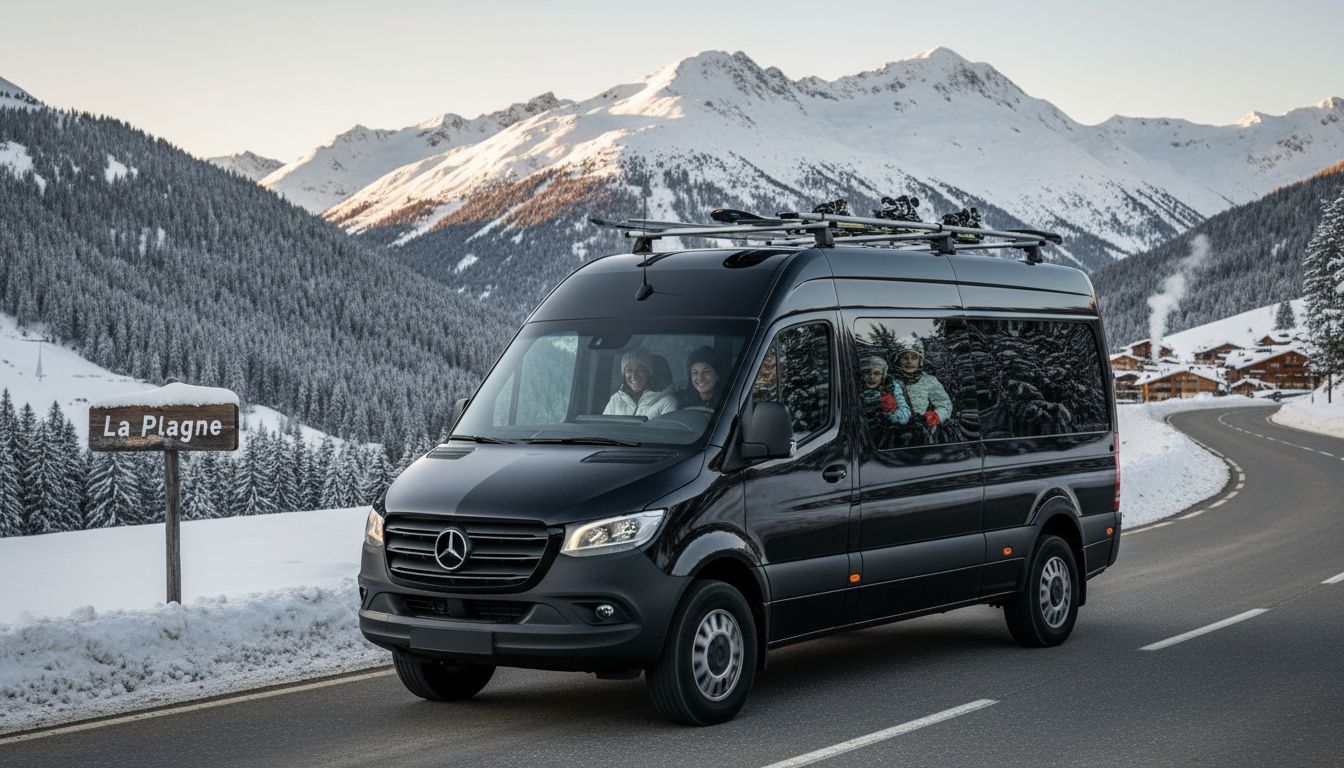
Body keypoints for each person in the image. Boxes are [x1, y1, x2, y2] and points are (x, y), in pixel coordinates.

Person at [603, 347, 677, 418]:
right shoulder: (616, 399)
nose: (634, 376)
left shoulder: (667, 402)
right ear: (624, 374)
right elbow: (603, 426)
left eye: (640, 370)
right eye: (629, 370)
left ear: (649, 372)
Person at [892, 338, 952, 426]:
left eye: (914, 358)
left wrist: (935, 416)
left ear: (920, 361)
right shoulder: (891, 381)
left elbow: (945, 405)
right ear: (899, 361)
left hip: (922, 428)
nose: (909, 362)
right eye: (905, 358)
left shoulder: (929, 381)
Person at [859, 356, 911, 426]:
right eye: (867, 372)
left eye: (877, 373)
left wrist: (889, 411)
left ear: (883, 375)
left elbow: (905, 414)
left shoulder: (892, 387)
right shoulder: (855, 388)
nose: (871, 377)